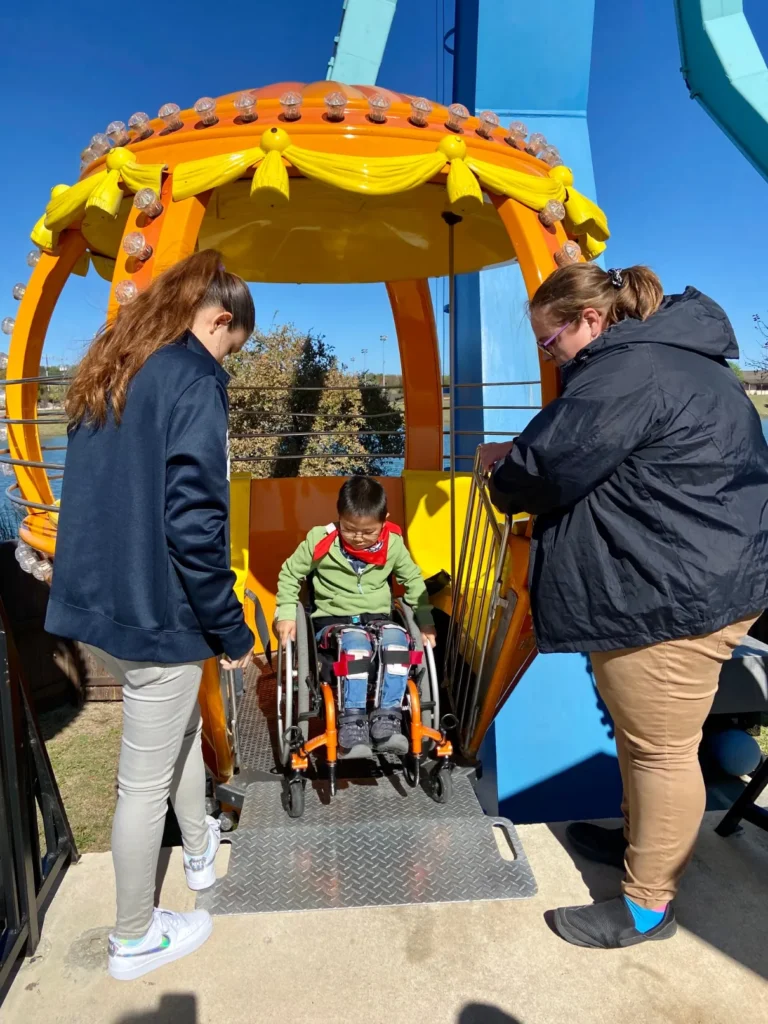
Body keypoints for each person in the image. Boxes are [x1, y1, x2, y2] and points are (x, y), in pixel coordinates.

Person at [481, 263, 768, 949]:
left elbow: (545, 472)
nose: (552, 358)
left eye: (551, 344)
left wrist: (503, 464)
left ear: (588, 320)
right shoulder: (677, 360)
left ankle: (647, 906)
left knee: (661, 753)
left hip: (670, 599)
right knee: (649, 750)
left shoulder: (627, 371)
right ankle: (642, 846)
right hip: (698, 580)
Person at [46, 249, 255, 980]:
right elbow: (196, 521)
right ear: (219, 319)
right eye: (236, 343)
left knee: (184, 729)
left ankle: (198, 853)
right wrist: (230, 627)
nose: (231, 357)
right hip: (156, 613)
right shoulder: (194, 378)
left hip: (98, 606)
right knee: (141, 783)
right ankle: (134, 937)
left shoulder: (114, 370)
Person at [275, 476, 436, 750]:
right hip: (333, 621)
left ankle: (388, 719)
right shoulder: (320, 540)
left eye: (369, 532)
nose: (359, 538)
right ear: (339, 518)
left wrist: (425, 622)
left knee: (398, 639)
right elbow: (290, 574)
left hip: (377, 618)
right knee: (356, 644)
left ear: (385, 519)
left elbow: (413, 582)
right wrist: (287, 612)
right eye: (350, 530)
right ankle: (352, 721)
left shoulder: (393, 544)